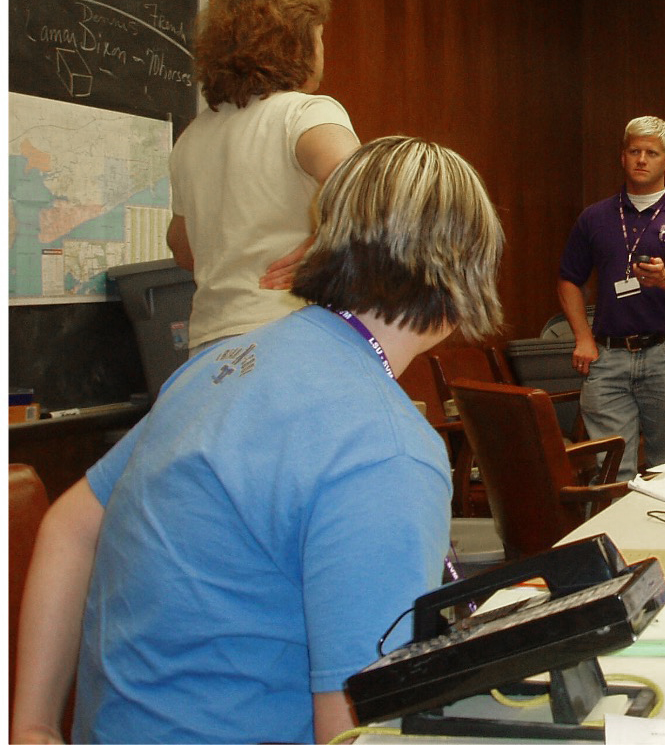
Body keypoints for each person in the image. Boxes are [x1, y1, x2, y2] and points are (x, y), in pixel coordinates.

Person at [11, 136, 505, 745]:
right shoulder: (386, 449)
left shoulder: (222, 363)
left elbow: (70, 524)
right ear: (466, 269)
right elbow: (357, 728)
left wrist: (32, 726)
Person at [166, 0, 360, 356]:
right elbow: (377, 192)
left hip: (210, 342)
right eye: (319, 39)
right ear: (297, 45)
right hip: (293, 334)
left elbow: (182, 249)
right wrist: (323, 246)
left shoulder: (192, 137)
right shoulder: (306, 113)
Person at [557, 116, 665, 479]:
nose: (641, 159)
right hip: (607, 356)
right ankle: (612, 535)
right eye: (634, 151)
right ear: (622, 156)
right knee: (611, 469)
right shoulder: (595, 217)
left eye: (651, 153)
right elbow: (569, 280)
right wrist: (582, 337)